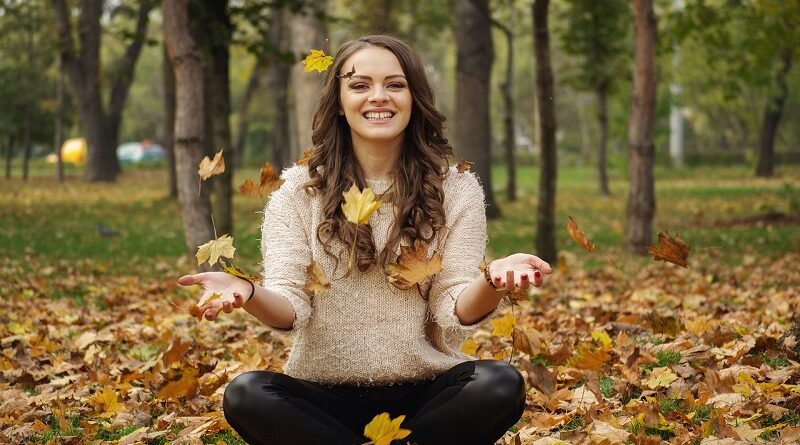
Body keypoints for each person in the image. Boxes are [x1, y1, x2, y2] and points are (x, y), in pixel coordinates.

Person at [177, 35, 552, 445]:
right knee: (247, 394)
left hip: (427, 396)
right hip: (322, 400)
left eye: (395, 84)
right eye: (359, 85)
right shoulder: (298, 192)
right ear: (339, 101)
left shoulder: (456, 189)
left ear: (414, 97)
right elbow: (290, 308)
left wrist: (493, 280)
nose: (379, 97)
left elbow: (455, 305)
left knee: (499, 383)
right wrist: (247, 291)